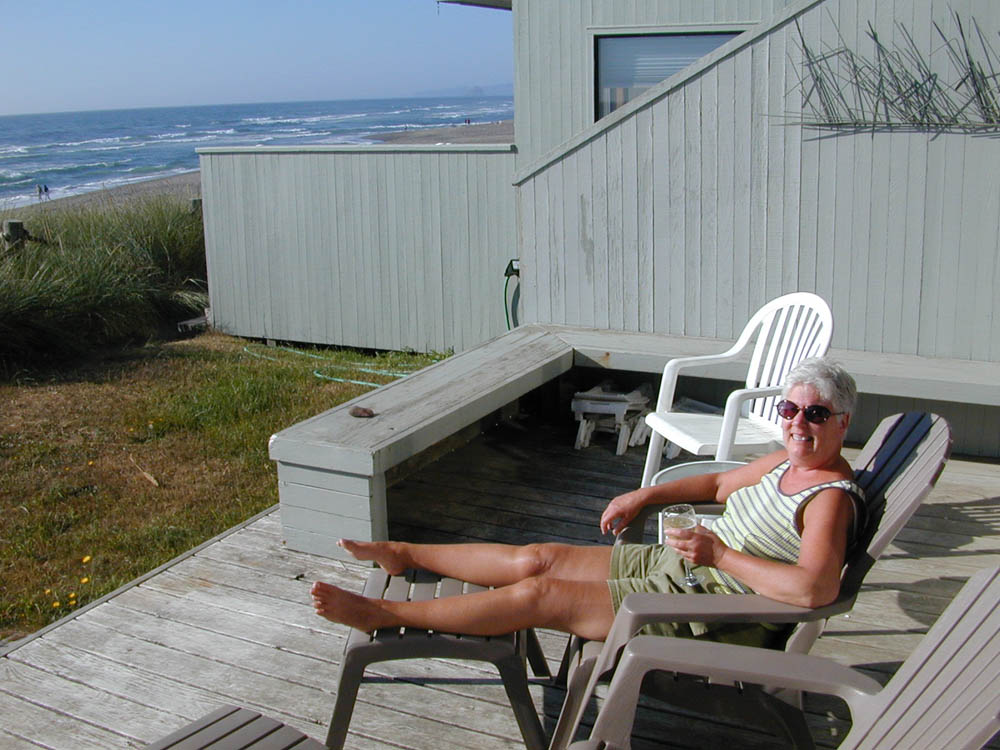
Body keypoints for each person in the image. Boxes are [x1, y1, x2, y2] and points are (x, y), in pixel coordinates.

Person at [312, 358, 863, 646]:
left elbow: (815, 588)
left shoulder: (827, 499)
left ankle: (384, 615)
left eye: (814, 414)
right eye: (791, 410)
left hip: (707, 610)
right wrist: (646, 492)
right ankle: (405, 552)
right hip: (680, 570)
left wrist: (720, 557)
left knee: (540, 594)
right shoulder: (787, 461)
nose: (798, 423)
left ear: (842, 421)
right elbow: (719, 486)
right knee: (538, 557)